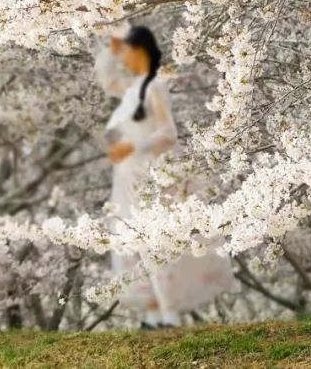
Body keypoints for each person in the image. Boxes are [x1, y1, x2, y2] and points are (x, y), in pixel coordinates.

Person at [96, 26, 236, 328]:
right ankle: (152, 311)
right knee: (130, 237)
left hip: (153, 174)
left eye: (126, 51)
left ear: (140, 50)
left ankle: (168, 309)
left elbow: (168, 133)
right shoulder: (133, 87)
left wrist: (134, 146)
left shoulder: (155, 87)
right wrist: (110, 51)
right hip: (129, 174)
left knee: (155, 240)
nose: (124, 58)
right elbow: (107, 81)